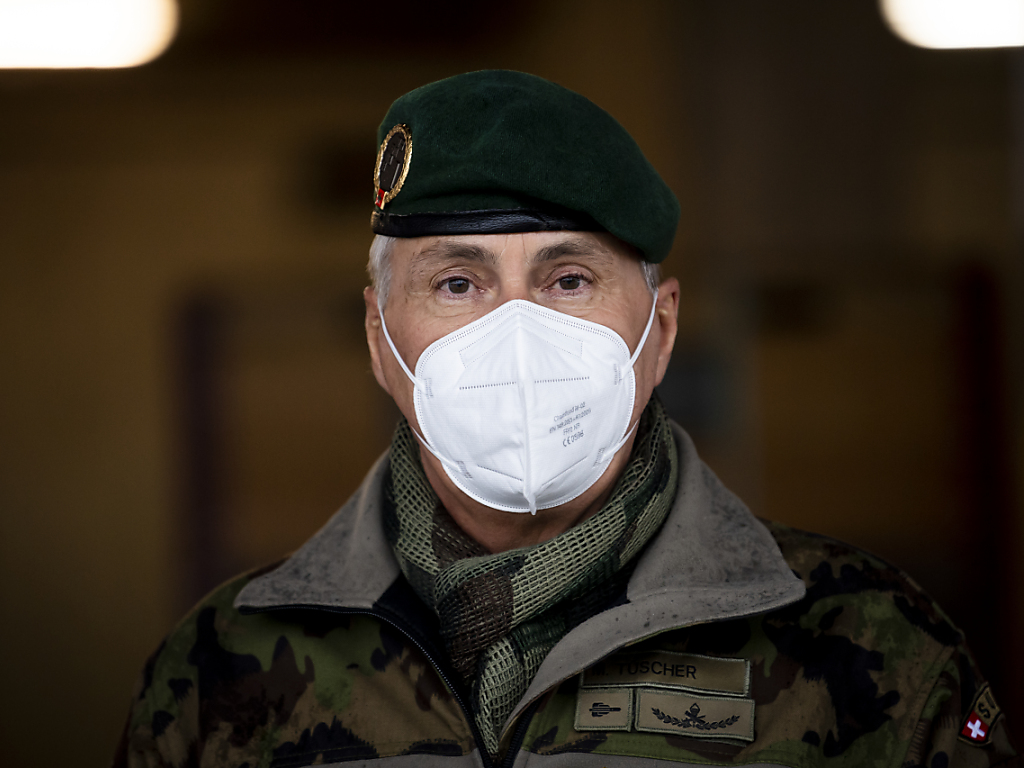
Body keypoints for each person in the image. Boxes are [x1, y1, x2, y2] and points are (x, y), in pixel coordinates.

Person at [114, 70, 1018, 768]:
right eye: (457, 283)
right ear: (379, 340)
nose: (517, 333)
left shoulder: (869, 652)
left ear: (660, 332)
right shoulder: (220, 669)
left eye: (569, 280)